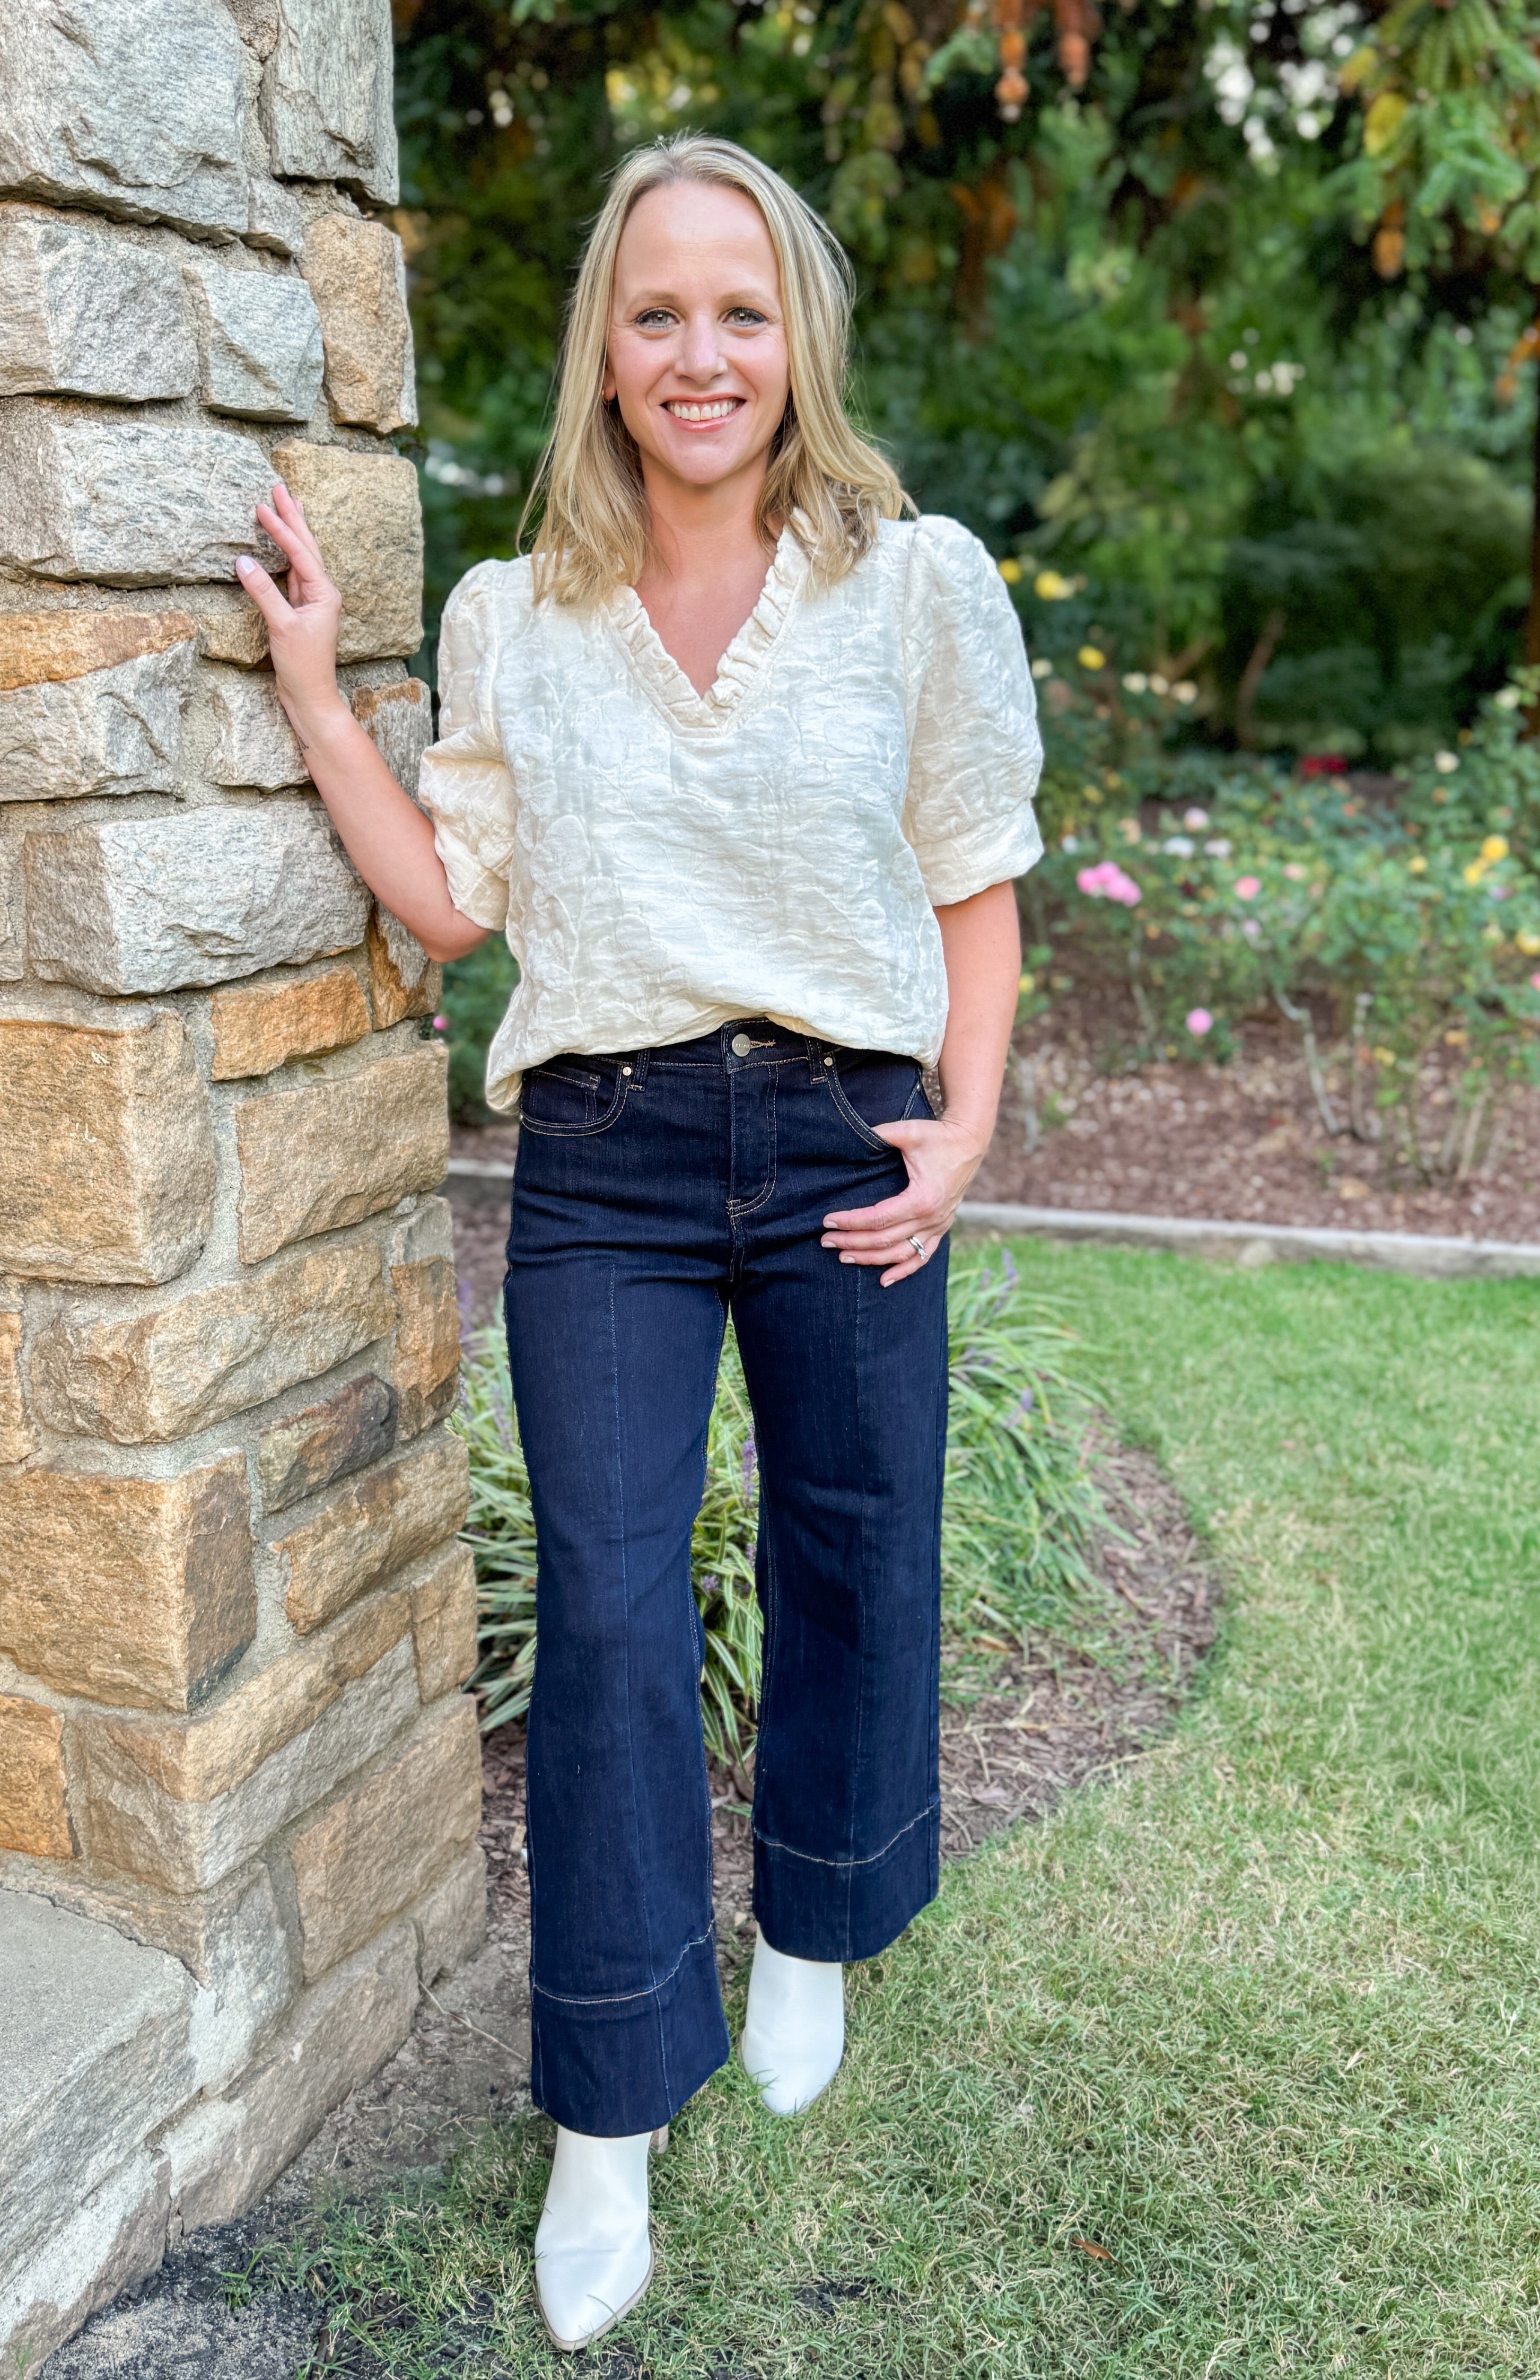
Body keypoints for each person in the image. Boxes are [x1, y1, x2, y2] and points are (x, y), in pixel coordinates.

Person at [237, 132, 1042, 2355]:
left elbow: (974, 884)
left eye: (741, 311)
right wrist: (320, 695)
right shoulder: (523, 616)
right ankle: (607, 2109)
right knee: (602, 1602)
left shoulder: (914, 580)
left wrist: (961, 1133)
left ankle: (811, 1926)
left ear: (800, 341)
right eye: (658, 310)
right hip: (600, 1160)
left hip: (848, 1134)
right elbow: (448, 902)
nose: (701, 353)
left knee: (856, 1537)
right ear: (603, 341)